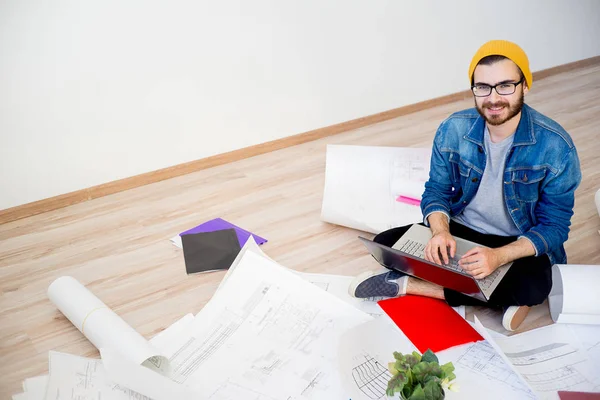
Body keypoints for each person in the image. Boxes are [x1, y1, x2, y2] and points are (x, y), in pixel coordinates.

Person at [348, 40, 582, 331]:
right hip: (461, 233)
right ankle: (494, 297)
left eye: (505, 86)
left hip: (515, 244)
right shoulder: (453, 129)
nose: (493, 98)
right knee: (385, 245)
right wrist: (440, 231)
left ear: (525, 86)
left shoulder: (556, 146)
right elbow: (436, 191)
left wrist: (497, 257)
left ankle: (413, 286)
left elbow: (555, 228)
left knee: (536, 285)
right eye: (483, 87)